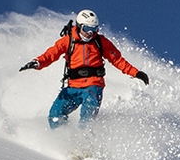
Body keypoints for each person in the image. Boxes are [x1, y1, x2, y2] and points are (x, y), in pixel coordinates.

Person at [19, 9, 149, 128]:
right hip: (72, 87)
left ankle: (85, 147)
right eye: (87, 28)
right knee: (55, 114)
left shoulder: (100, 42)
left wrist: (136, 73)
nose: (90, 33)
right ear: (79, 26)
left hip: (93, 85)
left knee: (87, 117)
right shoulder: (68, 41)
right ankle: (64, 142)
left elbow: (117, 60)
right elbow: (51, 54)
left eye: (94, 29)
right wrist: (37, 62)